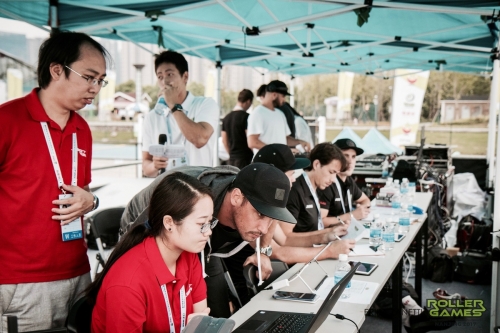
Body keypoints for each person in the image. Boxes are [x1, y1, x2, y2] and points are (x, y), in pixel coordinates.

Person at [0, 32, 107, 330]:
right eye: (89, 77)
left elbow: (83, 191)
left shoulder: (81, 129)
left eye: (101, 80)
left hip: (77, 272)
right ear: (57, 70)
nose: (95, 88)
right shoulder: (7, 120)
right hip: (20, 281)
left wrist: (92, 200)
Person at [121, 163, 295, 318]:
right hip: (147, 224)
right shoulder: (194, 197)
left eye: (270, 218)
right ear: (236, 197)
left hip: (202, 246)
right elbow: (134, 240)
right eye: (260, 214)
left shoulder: (245, 195)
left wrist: (262, 250)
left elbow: (272, 215)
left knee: (218, 313)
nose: (264, 228)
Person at [88, 173, 212, 332]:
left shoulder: (189, 256)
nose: (208, 232)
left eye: (210, 222)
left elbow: (201, 320)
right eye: (201, 223)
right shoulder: (128, 284)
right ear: (169, 223)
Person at [142, 51, 219, 177]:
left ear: (185, 77)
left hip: (199, 186)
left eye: (170, 74)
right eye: (160, 77)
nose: (165, 81)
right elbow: (146, 167)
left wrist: (173, 106)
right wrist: (155, 165)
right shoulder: (152, 117)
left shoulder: (205, 105)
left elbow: (200, 139)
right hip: (167, 189)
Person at [280, 143, 357, 242]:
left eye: (336, 174)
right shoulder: (295, 191)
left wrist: (333, 230)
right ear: (316, 164)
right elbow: (285, 238)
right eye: (331, 172)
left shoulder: (319, 188)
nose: (333, 180)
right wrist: (324, 236)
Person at [247, 80, 311, 154]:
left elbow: (285, 139)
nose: (284, 100)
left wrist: (300, 141)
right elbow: (252, 142)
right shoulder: (257, 113)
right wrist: (277, 151)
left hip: (279, 163)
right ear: (274, 95)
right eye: (283, 96)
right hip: (264, 164)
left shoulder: (280, 114)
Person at [317, 138, 371, 223]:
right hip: (331, 234)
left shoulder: (348, 180)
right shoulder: (328, 182)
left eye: (353, 157)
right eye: (345, 156)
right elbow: (321, 222)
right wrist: (351, 216)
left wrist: (361, 210)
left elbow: (365, 200)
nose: (350, 161)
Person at [221, 89, 254, 169]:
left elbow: (224, 140)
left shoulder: (226, 118)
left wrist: (231, 154)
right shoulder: (247, 117)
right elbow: (250, 138)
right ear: (248, 101)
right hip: (245, 158)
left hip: (232, 159)